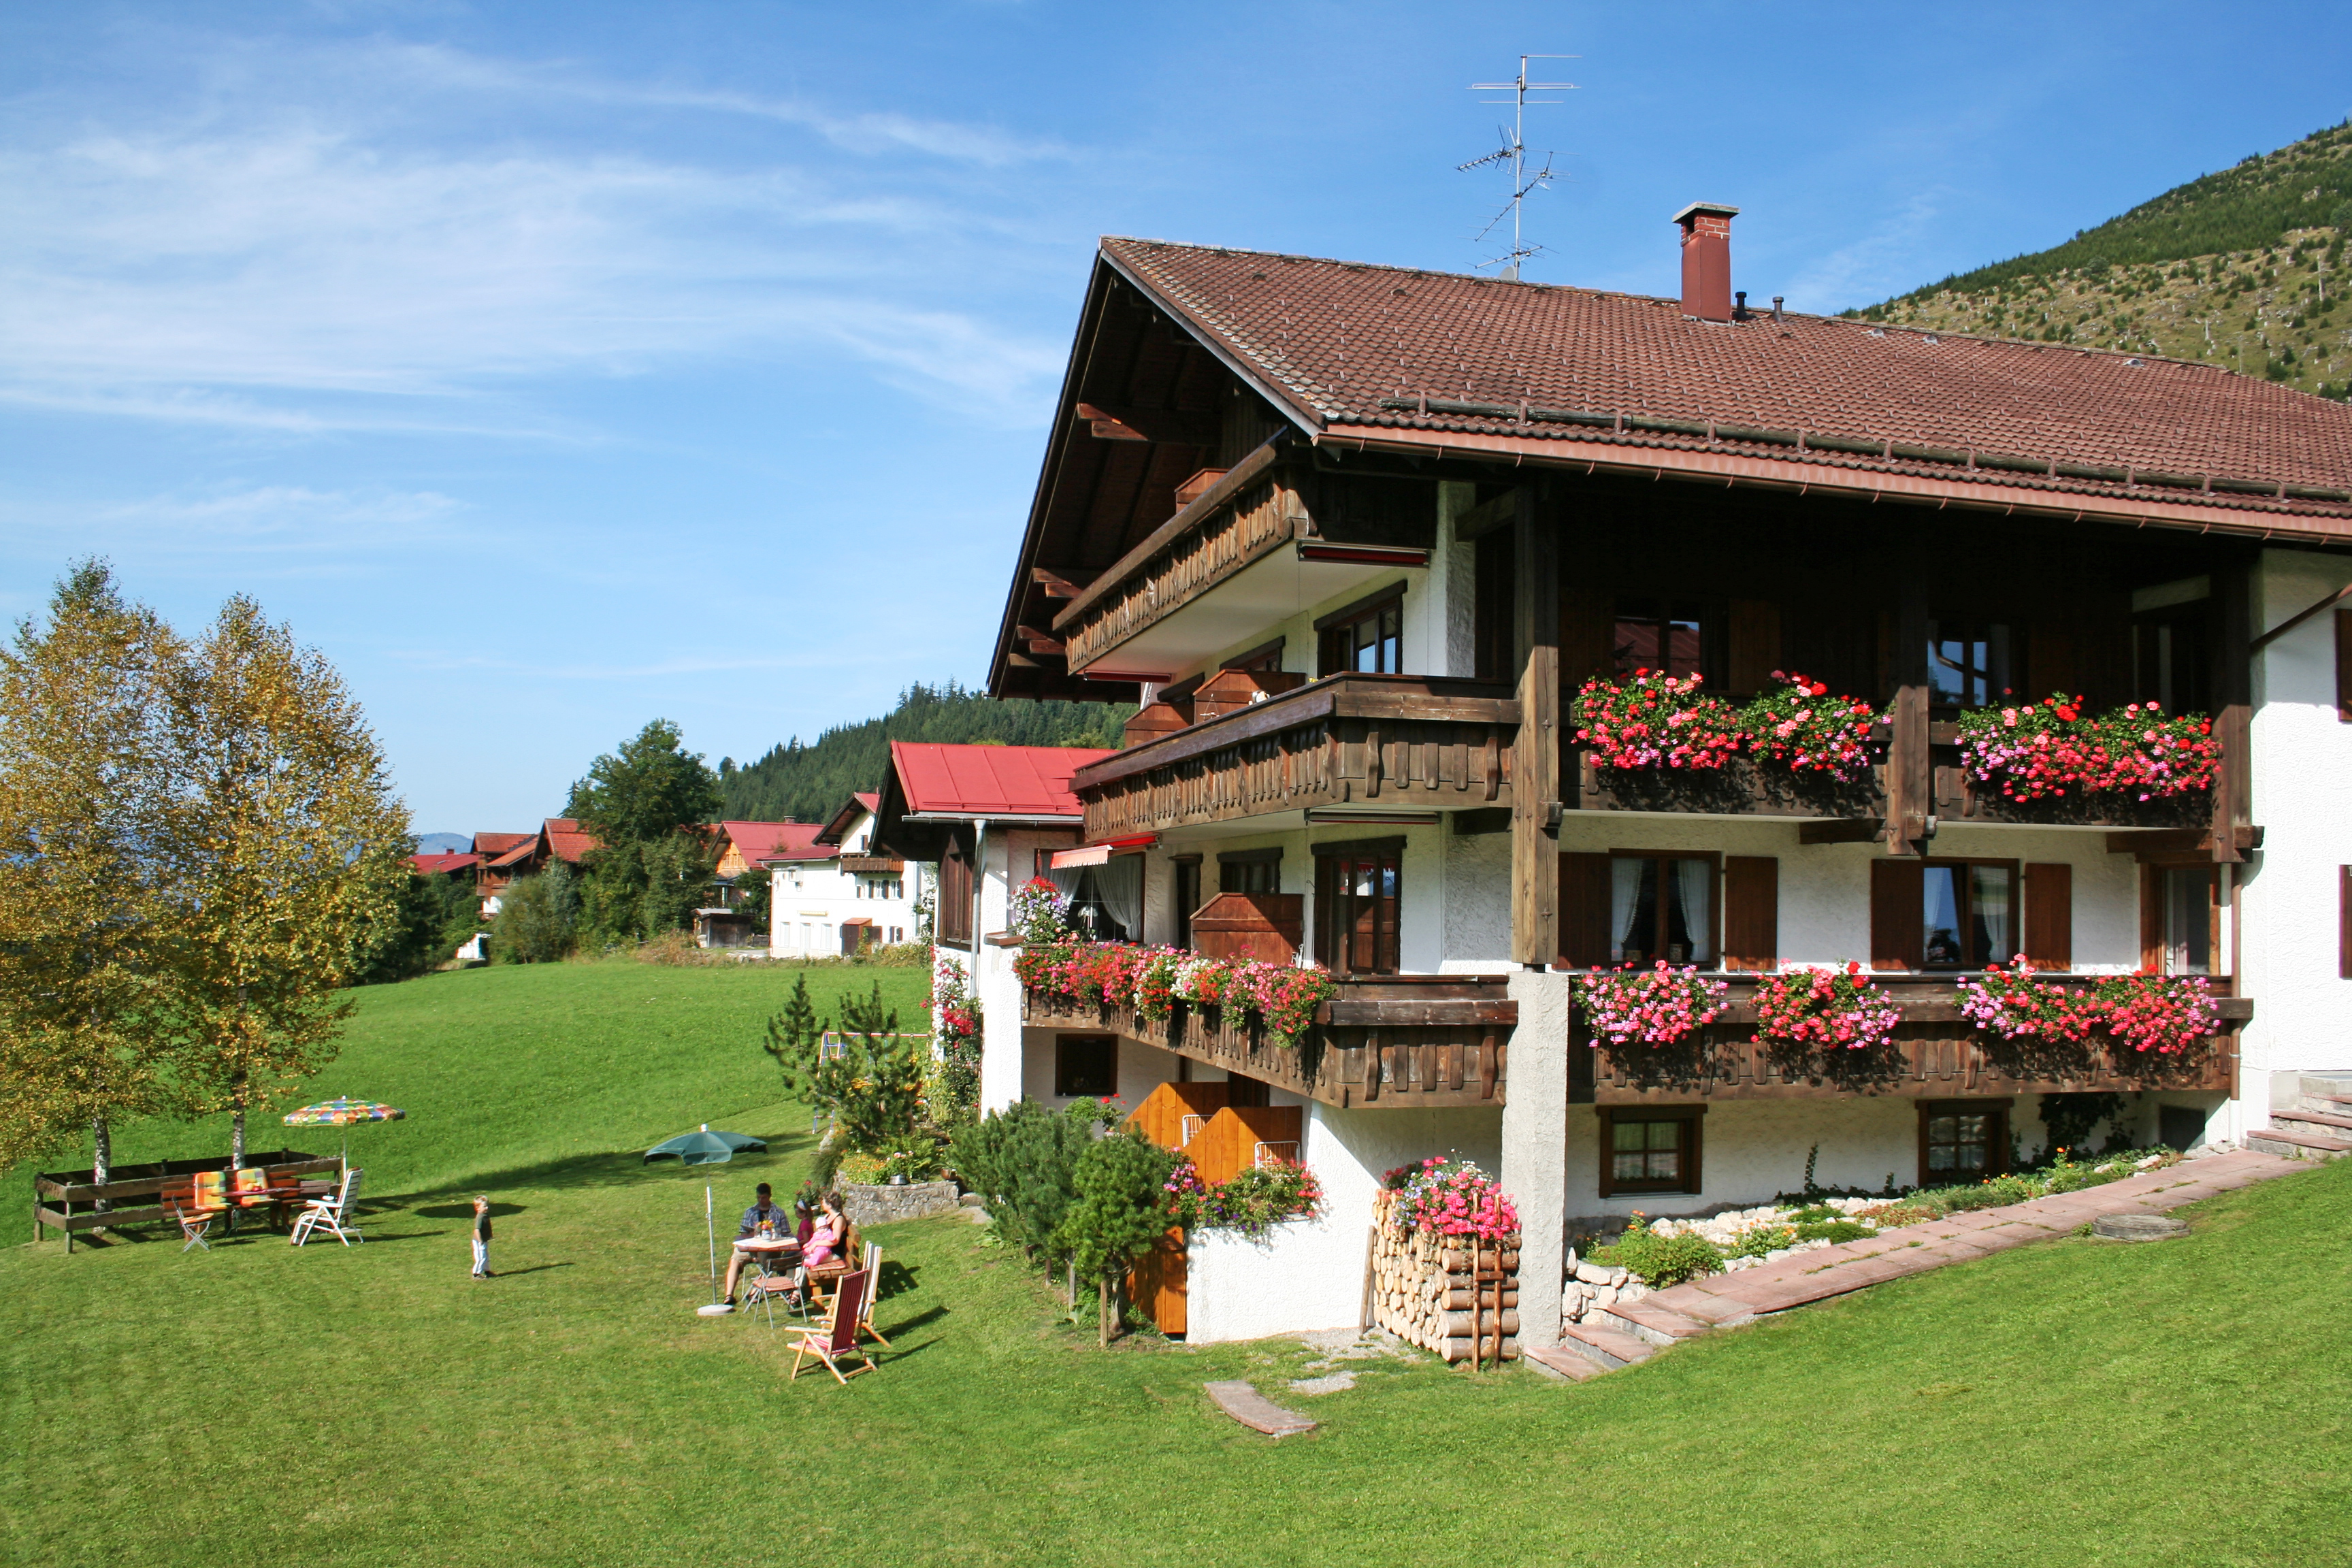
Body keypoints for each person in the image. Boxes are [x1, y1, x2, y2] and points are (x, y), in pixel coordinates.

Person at [720, 1181, 793, 1305]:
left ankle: (756, 1290)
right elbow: (743, 1234)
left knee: (765, 1260)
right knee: (735, 1258)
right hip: (751, 1248)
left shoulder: (779, 1213)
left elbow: (786, 1234)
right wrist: (754, 1234)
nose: (761, 1200)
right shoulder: (750, 1212)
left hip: (770, 1250)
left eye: (763, 1198)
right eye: (758, 1198)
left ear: (769, 1196)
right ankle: (729, 1295)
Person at [470, 1195, 494, 1279]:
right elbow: (477, 1230)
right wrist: (480, 1241)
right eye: (484, 1206)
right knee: (481, 1257)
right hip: (479, 1241)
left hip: (484, 1239)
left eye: (487, 1206)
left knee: (486, 1256)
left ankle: (487, 1271)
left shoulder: (485, 1215)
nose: (487, 1208)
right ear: (478, 1208)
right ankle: (476, 1273)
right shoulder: (480, 1217)